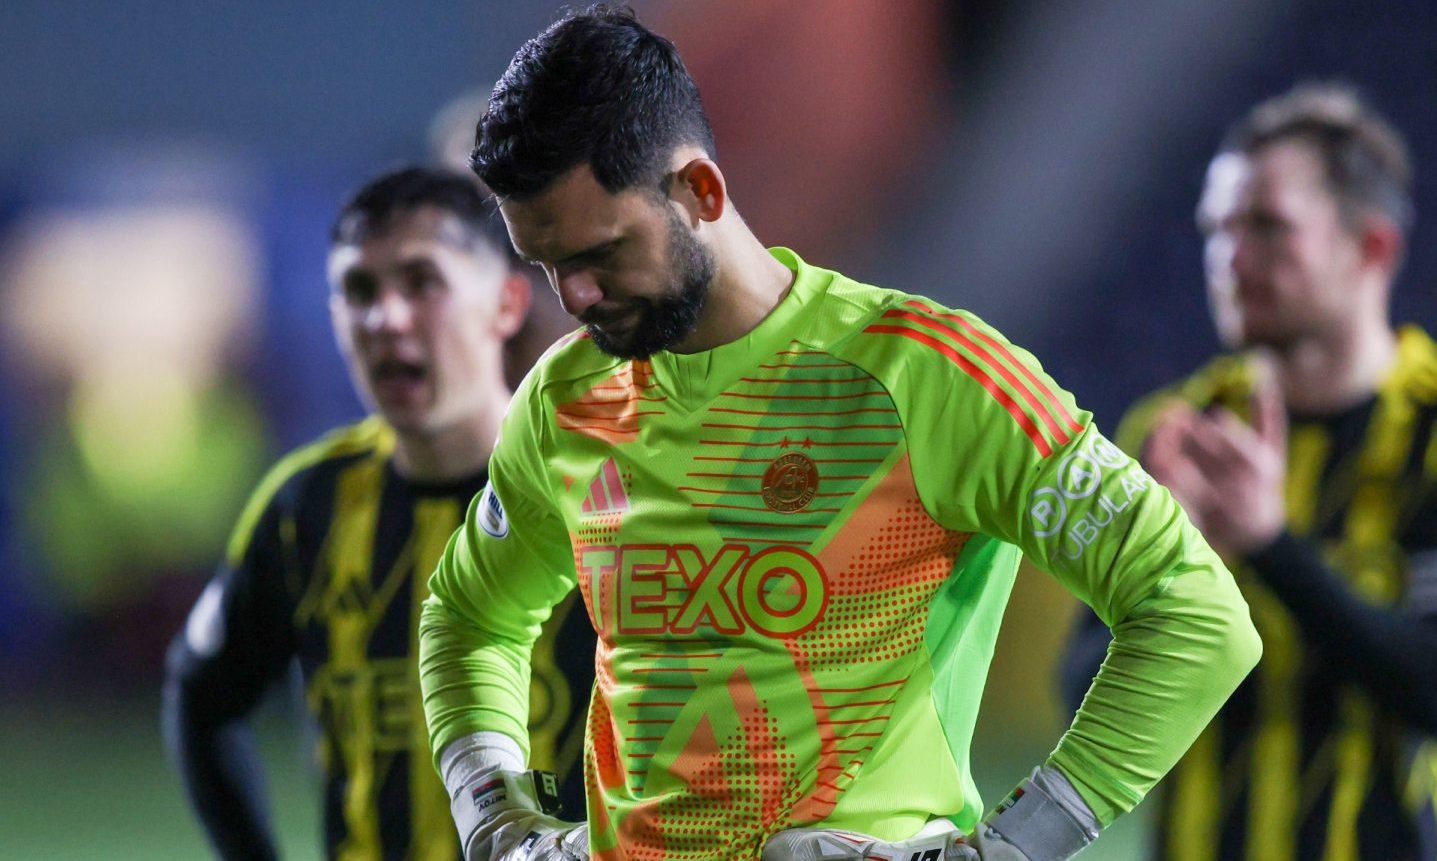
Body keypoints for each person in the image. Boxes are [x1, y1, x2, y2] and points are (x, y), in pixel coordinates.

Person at [419, 7, 1262, 861]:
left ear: (700, 191)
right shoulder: (567, 398)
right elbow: (468, 614)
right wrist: (491, 812)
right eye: (548, 265)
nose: (575, 297)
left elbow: (1191, 612)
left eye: (600, 254)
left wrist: (1012, 847)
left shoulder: (928, 375)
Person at [163, 166, 596, 860]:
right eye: (359, 290)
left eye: (422, 282)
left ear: (507, 305)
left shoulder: (596, 488)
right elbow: (201, 695)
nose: (386, 317)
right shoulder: (305, 505)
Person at [1061, 84, 1437, 859]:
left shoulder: (1429, 435)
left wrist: (1270, 545)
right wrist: (1167, 582)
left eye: (1265, 226)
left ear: (1370, 247)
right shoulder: (1169, 431)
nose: (1228, 257)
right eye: (1216, 229)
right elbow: (1076, 693)